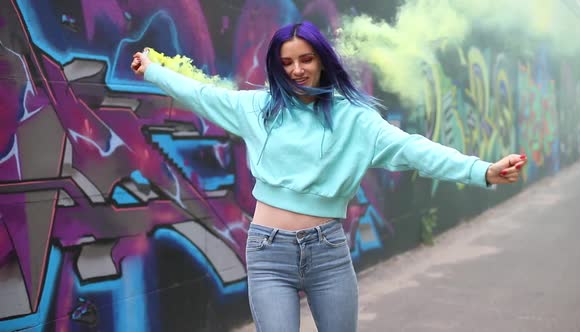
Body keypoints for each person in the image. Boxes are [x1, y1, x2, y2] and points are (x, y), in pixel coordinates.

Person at [131, 21, 526, 332]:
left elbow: (414, 149)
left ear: (322, 59)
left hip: (328, 253)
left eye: (306, 59)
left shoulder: (355, 118)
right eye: (286, 63)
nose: (297, 70)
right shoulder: (257, 108)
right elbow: (200, 95)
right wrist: (152, 71)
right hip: (269, 252)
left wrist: (483, 171)